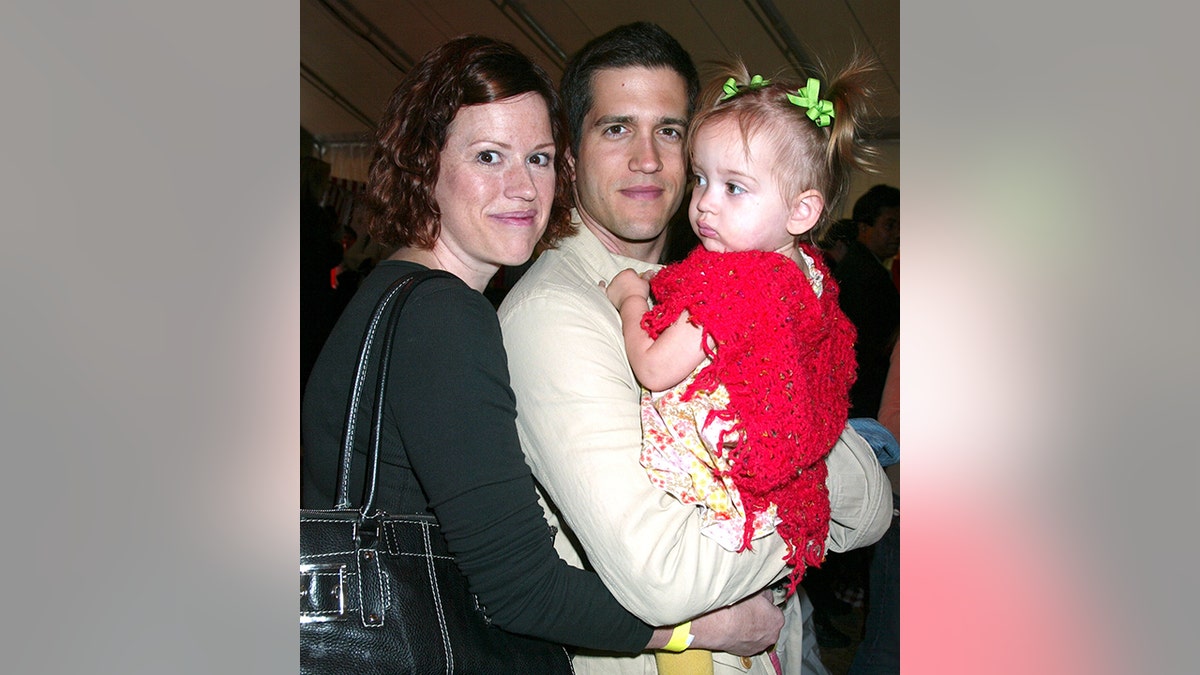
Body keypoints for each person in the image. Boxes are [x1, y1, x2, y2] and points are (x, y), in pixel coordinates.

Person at [300, 34, 782, 661]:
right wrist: (698, 630)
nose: (523, 187)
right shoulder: (444, 316)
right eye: (489, 157)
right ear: (426, 167)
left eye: (539, 158)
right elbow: (522, 588)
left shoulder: (396, 291)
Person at [498, 22, 893, 675]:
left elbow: (872, 502)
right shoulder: (556, 313)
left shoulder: (731, 282)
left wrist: (823, 481)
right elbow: (666, 574)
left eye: (671, 130)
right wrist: (816, 495)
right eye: (616, 128)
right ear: (569, 155)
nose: (649, 157)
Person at [601, 57, 881, 675]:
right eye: (700, 179)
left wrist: (628, 299)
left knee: (699, 647)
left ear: (803, 211)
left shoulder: (739, 284)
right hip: (769, 499)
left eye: (734, 187)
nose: (704, 205)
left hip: (713, 488)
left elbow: (652, 366)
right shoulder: (805, 274)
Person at [834, 183, 900, 419]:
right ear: (864, 227)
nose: (898, 235)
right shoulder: (866, 274)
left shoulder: (863, 266)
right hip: (861, 394)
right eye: (890, 225)